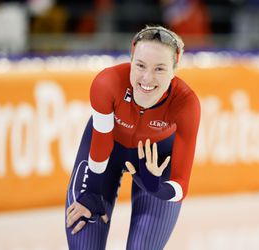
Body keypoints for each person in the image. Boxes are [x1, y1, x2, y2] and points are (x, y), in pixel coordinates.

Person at [65, 25, 201, 250]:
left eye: (160, 69)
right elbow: (100, 142)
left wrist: (155, 187)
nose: (147, 78)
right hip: (103, 160)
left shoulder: (186, 103)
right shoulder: (107, 83)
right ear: (131, 59)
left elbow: (181, 184)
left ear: (174, 70)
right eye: (140, 65)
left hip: (155, 165)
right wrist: (92, 192)